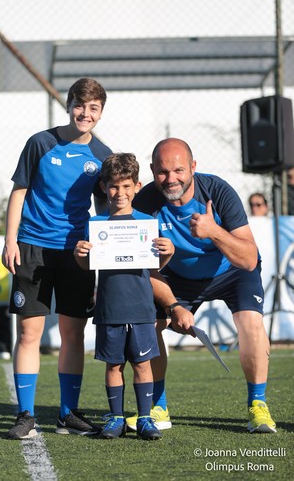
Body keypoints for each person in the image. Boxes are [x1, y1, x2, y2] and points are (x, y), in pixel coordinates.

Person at [126, 137, 276, 434]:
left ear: (193, 167)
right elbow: (143, 268)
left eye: (179, 170)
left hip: (231, 271)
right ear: (153, 170)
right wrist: (173, 305)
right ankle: (158, 407)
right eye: (163, 172)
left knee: (251, 323)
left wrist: (213, 231)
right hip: (177, 279)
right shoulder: (144, 202)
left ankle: (258, 406)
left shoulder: (218, 191)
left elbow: (247, 259)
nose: (171, 179)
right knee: (146, 323)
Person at [2, 77, 112, 439]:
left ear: (101, 112)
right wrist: (11, 241)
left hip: (77, 253)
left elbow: (105, 210)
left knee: (73, 334)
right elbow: (19, 192)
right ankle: (25, 414)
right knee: (29, 333)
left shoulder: (102, 155)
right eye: (80, 105)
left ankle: (68, 415)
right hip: (32, 247)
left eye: (93, 108)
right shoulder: (41, 143)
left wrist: (101, 253)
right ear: (68, 105)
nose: (85, 113)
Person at [74, 153, 175, 440]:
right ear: (105, 187)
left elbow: (155, 266)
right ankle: (115, 418)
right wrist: (80, 255)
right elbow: (87, 265)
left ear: (137, 186)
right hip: (109, 307)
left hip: (142, 307)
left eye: (127, 186)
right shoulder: (96, 224)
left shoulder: (146, 222)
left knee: (143, 364)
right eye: (114, 186)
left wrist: (168, 253)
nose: (121, 193)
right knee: (114, 364)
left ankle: (144, 419)